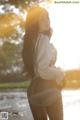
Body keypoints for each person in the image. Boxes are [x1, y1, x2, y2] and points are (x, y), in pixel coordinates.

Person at [22, 6, 64, 120]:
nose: (47, 21)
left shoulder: (30, 42)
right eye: (42, 19)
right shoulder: (43, 39)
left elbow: (35, 69)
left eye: (47, 18)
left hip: (33, 90)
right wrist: (59, 73)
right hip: (48, 87)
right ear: (34, 22)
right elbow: (42, 69)